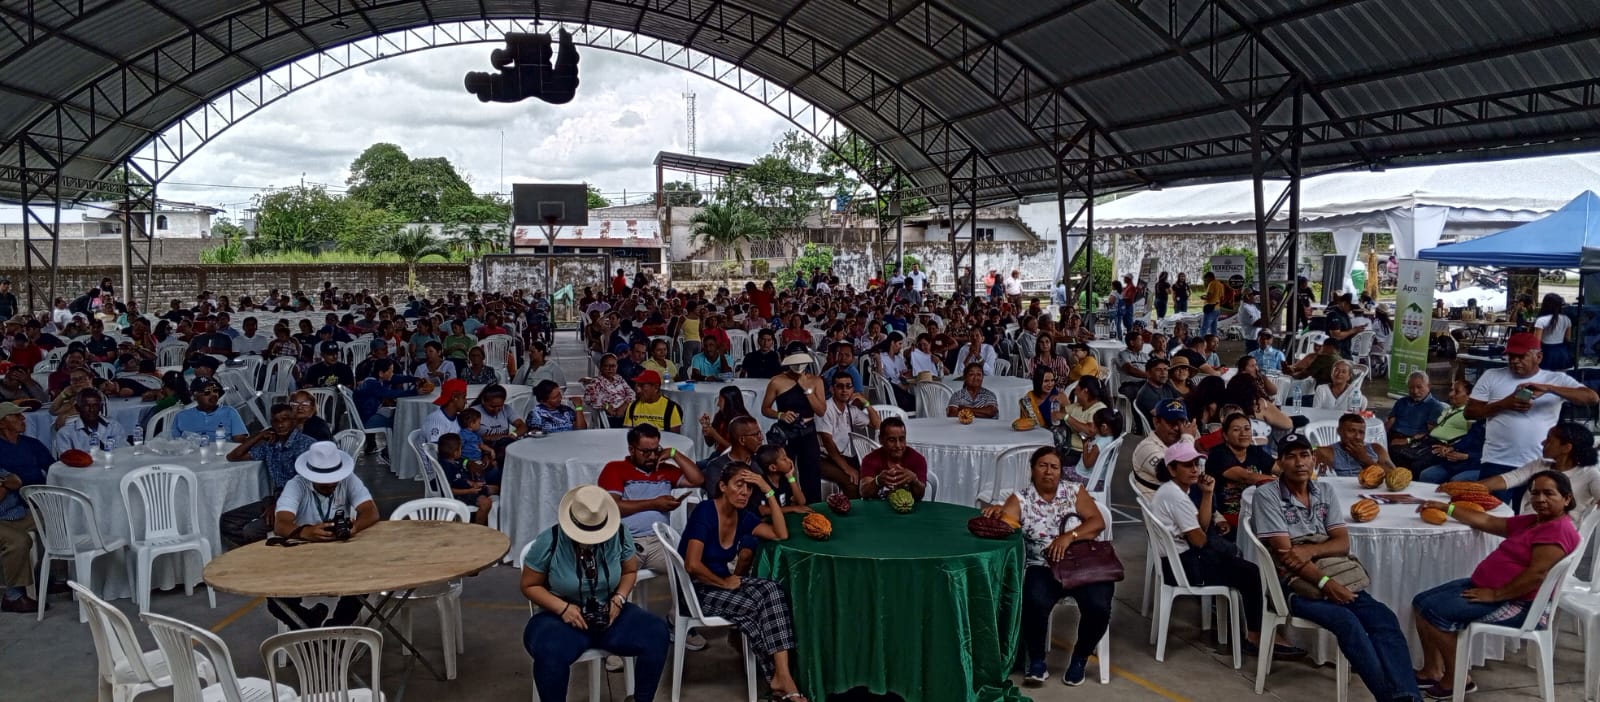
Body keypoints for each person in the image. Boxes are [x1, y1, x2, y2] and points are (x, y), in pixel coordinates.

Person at [1250, 433, 1422, 702]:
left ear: (1313, 459)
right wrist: (1326, 583)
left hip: (1336, 573)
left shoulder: (1325, 491)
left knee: (1384, 619)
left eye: (1304, 455)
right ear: (1280, 462)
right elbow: (1286, 556)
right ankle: (1390, 699)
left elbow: (1342, 543)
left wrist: (1310, 550)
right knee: (1348, 623)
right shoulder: (1267, 495)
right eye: (1291, 457)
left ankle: (1408, 696)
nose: (1299, 463)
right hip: (1293, 586)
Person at [1411, 470, 1582, 699]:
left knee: (1435, 612)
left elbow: (1536, 575)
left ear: (1567, 498)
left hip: (1520, 604)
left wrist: (1495, 595)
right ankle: (1432, 670)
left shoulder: (1556, 531)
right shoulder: (1535, 522)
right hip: (1492, 589)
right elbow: (1489, 521)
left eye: (1549, 493)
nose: (1540, 499)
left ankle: (1457, 680)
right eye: (1535, 493)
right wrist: (1447, 508)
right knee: (1421, 602)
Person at [522, 483, 670, 702]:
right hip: (560, 616)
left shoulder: (620, 534)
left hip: (608, 611)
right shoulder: (550, 540)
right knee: (549, 652)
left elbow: (630, 571)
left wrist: (619, 599)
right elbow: (529, 585)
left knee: (657, 633)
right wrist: (562, 608)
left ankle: (642, 699)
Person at [1153, 440, 1302, 658]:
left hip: (1179, 559)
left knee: (1241, 563)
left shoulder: (1175, 491)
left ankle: (1255, 629)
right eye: (1187, 465)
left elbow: (1202, 527)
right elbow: (1200, 540)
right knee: (1252, 573)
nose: (1194, 469)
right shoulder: (1176, 498)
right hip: (1184, 566)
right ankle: (1256, 637)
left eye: (1195, 463)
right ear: (1172, 469)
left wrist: (1207, 494)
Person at [982, 446, 1111, 685]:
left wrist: (1068, 537)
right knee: (1034, 601)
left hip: (1080, 563)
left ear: (1061, 471)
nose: (1048, 472)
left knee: (1099, 606)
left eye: (1054, 467)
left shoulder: (1074, 491)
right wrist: (999, 512)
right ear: (1033, 469)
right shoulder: (1021, 499)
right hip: (1043, 565)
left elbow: (1097, 522)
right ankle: (1037, 660)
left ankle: (1080, 658)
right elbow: (1006, 524)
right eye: (1042, 465)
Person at [679, 467, 805, 701]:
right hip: (696, 590)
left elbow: (780, 534)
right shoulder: (705, 512)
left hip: (722, 584)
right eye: (739, 485)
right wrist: (723, 583)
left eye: (750, 487)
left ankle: (782, 676)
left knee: (773, 590)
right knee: (758, 607)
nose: (745, 492)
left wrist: (767, 491)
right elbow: (692, 565)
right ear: (723, 486)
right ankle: (779, 677)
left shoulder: (743, 517)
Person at [1466, 332, 1597, 499]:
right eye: (1511, 356)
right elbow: (1469, 413)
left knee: (1533, 511)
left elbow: (1592, 398)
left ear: (1538, 357)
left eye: (1521, 356)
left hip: (1538, 462)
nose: (1515, 361)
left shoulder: (1555, 379)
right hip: (1497, 460)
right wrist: (1504, 404)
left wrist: (1549, 388)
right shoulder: (1492, 376)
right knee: (1491, 509)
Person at [268, 442, 379, 630]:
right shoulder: (296, 485)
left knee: (364, 581)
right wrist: (306, 532)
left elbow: (371, 512)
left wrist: (354, 527)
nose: (331, 484)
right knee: (275, 598)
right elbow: (281, 524)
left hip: (343, 553)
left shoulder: (348, 479)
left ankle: (336, 627)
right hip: (302, 555)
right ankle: (309, 625)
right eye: (324, 481)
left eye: (334, 480)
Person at [219, 403, 317, 546]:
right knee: (227, 521)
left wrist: (278, 505)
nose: (280, 425)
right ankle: (259, 549)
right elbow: (233, 456)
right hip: (275, 498)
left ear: (294, 421)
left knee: (250, 530)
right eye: (276, 421)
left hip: (300, 502)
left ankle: (269, 547)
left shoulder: (305, 445)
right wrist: (260, 435)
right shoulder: (270, 444)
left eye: (285, 419)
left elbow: (306, 485)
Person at [1472, 423, 1600, 523]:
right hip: (1526, 525)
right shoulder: (1539, 465)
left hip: (1558, 535)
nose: (1543, 443)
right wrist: (1469, 489)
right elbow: (1508, 479)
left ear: (1566, 448)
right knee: (1481, 522)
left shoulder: (1590, 474)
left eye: (1549, 440)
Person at [762, 343, 827, 502]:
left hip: (807, 430)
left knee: (811, 473)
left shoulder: (816, 381)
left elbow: (821, 411)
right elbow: (765, 408)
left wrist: (807, 390)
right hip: (786, 432)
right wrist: (780, 415)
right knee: (784, 472)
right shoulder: (777, 381)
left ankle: (813, 507)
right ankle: (785, 506)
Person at [1206, 413, 1279, 527]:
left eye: (1247, 429)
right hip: (1227, 516)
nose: (1243, 433)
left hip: (1256, 510)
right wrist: (1284, 482)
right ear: (1225, 435)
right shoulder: (1218, 454)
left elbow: (1279, 469)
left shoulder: (1255, 451)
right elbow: (1246, 477)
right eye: (1236, 430)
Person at [815, 373, 876, 499]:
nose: (844, 390)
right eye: (840, 386)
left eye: (848, 386)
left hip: (842, 455)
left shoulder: (851, 409)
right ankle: (852, 510)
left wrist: (866, 403)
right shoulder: (826, 409)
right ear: (832, 389)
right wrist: (847, 468)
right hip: (822, 458)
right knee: (851, 482)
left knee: (868, 476)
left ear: (853, 389)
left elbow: (877, 424)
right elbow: (828, 442)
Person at [1132, 400, 1199, 500]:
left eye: (1182, 423)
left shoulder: (1179, 444)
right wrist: (1188, 439)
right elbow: (1167, 473)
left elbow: (1199, 471)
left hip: (1179, 499)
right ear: (1156, 422)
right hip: (1162, 506)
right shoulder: (1146, 447)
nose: (1177, 428)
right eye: (1171, 422)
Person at [857, 417, 928, 500]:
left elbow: (920, 495)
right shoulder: (870, 459)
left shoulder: (918, 459)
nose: (898, 445)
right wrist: (877, 481)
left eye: (902, 439)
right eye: (892, 440)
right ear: (881, 440)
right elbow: (863, 492)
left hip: (907, 507)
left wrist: (914, 480)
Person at [1387, 372, 1446, 465]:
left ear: (1428, 386)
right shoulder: (1402, 401)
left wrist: (1407, 440)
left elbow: (1430, 433)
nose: (1415, 391)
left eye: (1419, 387)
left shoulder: (1435, 407)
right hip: (1393, 435)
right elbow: (1390, 422)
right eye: (1411, 387)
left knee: (1394, 453)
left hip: (1413, 441)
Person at [352, 358, 427, 428]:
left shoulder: (379, 379)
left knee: (398, 415)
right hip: (365, 420)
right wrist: (415, 392)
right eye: (390, 372)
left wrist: (415, 379)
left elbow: (398, 378)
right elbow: (391, 394)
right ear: (381, 373)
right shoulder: (371, 384)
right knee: (400, 421)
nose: (392, 374)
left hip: (370, 414)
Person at [169, 377, 247, 441]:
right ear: (195, 395)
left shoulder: (229, 412)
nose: (213, 395)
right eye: (207, 392)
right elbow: (174, 443)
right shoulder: (181, 416)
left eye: (215, 390)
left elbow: (240, 441)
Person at [53, 388, 128, 455]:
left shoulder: (113, 426)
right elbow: (67, 460)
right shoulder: (66, 433)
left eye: (95, 405)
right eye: (86, 406)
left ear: (101, 407)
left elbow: (123, 452)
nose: (91, 410)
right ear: (78, 408)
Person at [583, 354, 635, 429]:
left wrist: (623, 407)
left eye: (613, 366)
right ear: (601, 367)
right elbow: (589, 400)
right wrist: (607, 406)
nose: (610, 369)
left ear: (617, 367)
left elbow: (632, 393)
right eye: (606, 366)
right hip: (608, 417)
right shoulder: (595, 382)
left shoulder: (619, 379)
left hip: (625, 412)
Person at [699, 385, 753, 454]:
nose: (718, 404)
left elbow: (736, 449)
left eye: (720, 400)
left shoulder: (742, 422)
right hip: (719, 454)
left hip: (732, 458)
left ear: (729, 402)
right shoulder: (719, 416)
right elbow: (709, 443)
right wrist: (706, 427)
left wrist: (715, 434)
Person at [1533, 293, 1573, 370]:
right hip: (1562, 351)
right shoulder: (1566, 319)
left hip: (1546, 352)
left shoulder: (1541, 320)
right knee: (1561, 375)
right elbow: (1568, 338)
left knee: (1545, 375)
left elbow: (1536, 341)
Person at [422, 378, 469, 443]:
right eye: (464, 397)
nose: (466, 401)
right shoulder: (436, 419)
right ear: (454, 397)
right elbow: (435, 448)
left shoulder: (458, 418)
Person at [1199, 271, 1225, 336]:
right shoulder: (1220, 284)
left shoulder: (1212, 284)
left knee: (1204, 328)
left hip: (1210, 309)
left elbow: (1209, 296)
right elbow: (1222, 297)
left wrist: (1203, 297)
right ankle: (1214, 341)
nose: (1206, 281)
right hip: (1217, 308)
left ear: (1209, 277)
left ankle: (1200, 341)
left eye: (1206, 279)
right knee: (1214, 329)